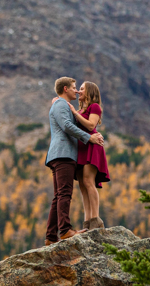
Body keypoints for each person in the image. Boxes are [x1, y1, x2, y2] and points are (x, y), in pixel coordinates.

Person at [44, 77, 104, 245]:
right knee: (64, 193)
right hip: (63, 154)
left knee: (58, 196)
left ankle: (50, 236)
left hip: (59, 154)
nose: (77, 91)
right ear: (65, 89)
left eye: (80, 88)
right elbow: (67, 126)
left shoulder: (61, 104)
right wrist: (89, 138)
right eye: (74, 87)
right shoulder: (61, 104)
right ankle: (64, 230)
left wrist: (57, 102)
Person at [70, 81, 109, 231]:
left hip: (92, 146)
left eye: (81, 89)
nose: (79, 92)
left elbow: (91, 126)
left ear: (90, 92)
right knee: (82, 184)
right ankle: (87, 221)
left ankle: (95, 219)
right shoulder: (80, 110)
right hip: (80, 148)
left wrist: (74, 113)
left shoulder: (94, 107)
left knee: (88, 181)